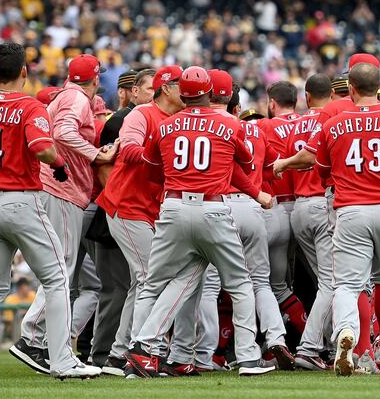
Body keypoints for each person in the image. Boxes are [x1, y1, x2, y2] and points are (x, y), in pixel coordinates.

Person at [0, 42, 101, 384]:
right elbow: (42, 147)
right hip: (21, 201)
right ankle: (62, 360)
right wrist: (59, 165)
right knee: (58, 279)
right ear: (24, 72)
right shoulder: (30, 106)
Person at [278, 63, 380, 376]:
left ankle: (347, 334)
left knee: (346, 285)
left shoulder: (334, 124)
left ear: (352, 90)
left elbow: (321, 170)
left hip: (350, 210)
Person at [124, 66, 275, 377]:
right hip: (212, 209)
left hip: (174, 207)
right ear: (208, 91)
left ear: (184, 93)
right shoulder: (229, 124)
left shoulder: (166, 125)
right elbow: (246, 163)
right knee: (240, 284)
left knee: (163, 283)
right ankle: (247, 358)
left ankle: (142, 350)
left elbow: (153, 172)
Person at [13, 54, 118, 374]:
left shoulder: (64, 95)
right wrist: (97, 154)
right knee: (59, 271)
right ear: (96, 79)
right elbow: (63, 133)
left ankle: (43, 341)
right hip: (62, 191)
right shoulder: (76, 98)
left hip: (55, 189)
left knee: (59, 271)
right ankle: (32, 337)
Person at [191, 70, 294, 372]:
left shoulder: (205, 126)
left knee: (210, 287)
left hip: (219, 206)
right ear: (237, 108)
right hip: (253, 208)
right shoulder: (256, 130)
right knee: (260, 283)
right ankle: (276, 337)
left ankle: (208, 353)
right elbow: (276, 166)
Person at [95, 65, 184, 376]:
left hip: (147, 209)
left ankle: (120, 354)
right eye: (179, 84)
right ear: (166, 88)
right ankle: (140, 352)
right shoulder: (142, 114)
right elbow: (130, 149)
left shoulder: (178, 120)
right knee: (150, 278)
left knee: (142, 281)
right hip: (126, 205)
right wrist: (158, 156)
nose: (185, 89)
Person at [89, 68, 155, 369]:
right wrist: (114, 198)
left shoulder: (148, 116)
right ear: (131, 91)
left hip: (130, 208)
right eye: (147, 88)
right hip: (117, 208)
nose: (152, 93)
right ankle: (109, 352)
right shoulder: (122, 119)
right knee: (118, 286)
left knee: (131, 284)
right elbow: (104, 166)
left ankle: (114, 352)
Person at [286, 74, 336, 371]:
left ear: (307, 96)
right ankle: (311, 347)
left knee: (324, 283)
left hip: (298, 206)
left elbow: (293, 160)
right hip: (321, 202)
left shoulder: (296, 123)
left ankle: (327, 346)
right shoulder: (334, 116)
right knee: (333, 283)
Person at [256, 81, 308, 334]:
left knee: (273, 283)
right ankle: (315, 341)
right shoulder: (309, 124)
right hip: (305, 205)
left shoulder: (262, 125)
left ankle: (290, 336)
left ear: (272, 103)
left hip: (274, 208)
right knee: (321, 281)